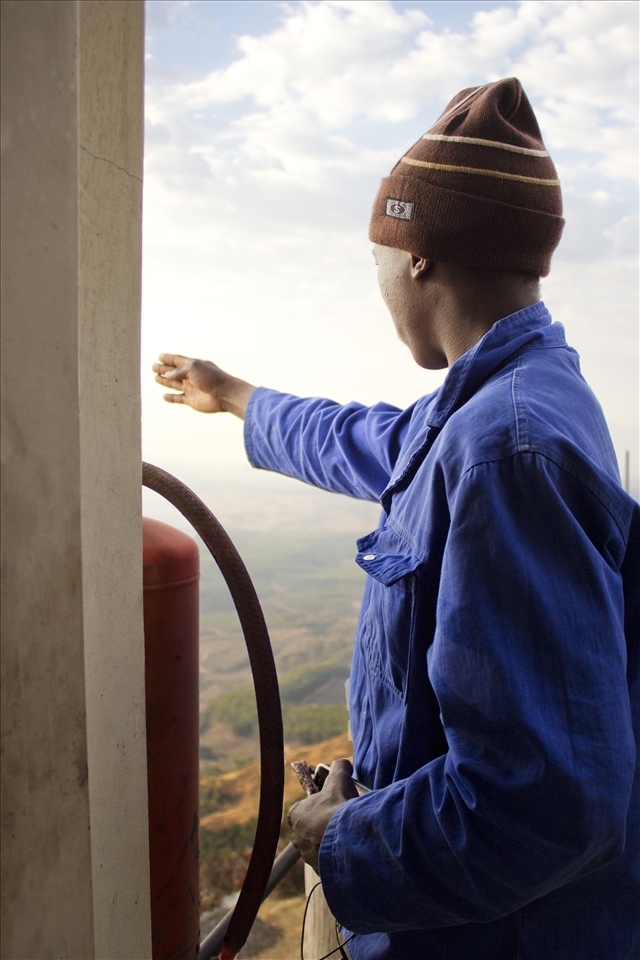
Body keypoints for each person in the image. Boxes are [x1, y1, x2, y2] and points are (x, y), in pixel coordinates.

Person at [153, 79, 639, 960]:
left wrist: (340, 837)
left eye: (376, 254)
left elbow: (545, 805)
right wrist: (234, 398)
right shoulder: (506, 406)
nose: (377, 281)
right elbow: (360, 438)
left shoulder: (505, 449)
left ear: (417, 254)